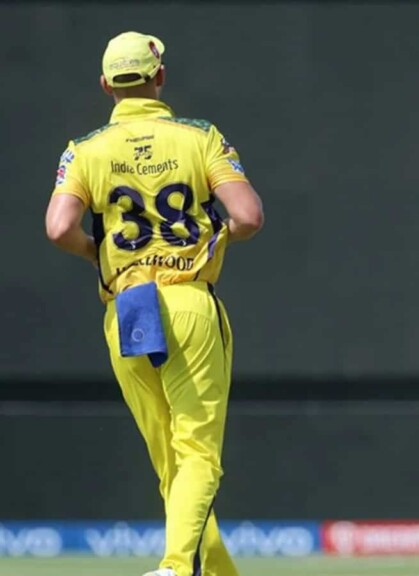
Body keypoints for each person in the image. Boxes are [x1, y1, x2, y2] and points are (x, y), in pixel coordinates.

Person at [44, 31, 264, 576]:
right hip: (188, 299)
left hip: (127, 306)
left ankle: (209, 570)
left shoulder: (85, 149)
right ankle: (175, 567)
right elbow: (248, 217)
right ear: (159, 77)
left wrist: (101, 255)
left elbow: (57, 228)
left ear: (105, 86)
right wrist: (213, 241)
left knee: (171, 462)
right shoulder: (199, 137)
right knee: (197, 455)